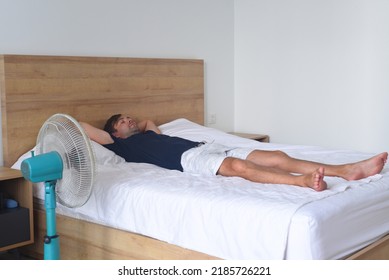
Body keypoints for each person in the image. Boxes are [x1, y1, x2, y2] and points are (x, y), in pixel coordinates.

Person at [80, 114, 388, 192]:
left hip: (204, 147)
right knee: (237, 166)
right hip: (188, 160)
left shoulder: (147, 133)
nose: (129, 119)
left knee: (278, 155)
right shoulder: (118, 144)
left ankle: (346, 169)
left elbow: (148, 121)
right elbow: (79, 126)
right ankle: (303, 182)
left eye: (128, 116)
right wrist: (114, 131)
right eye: (122, 120)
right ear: (114, 132)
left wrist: (137, 123)